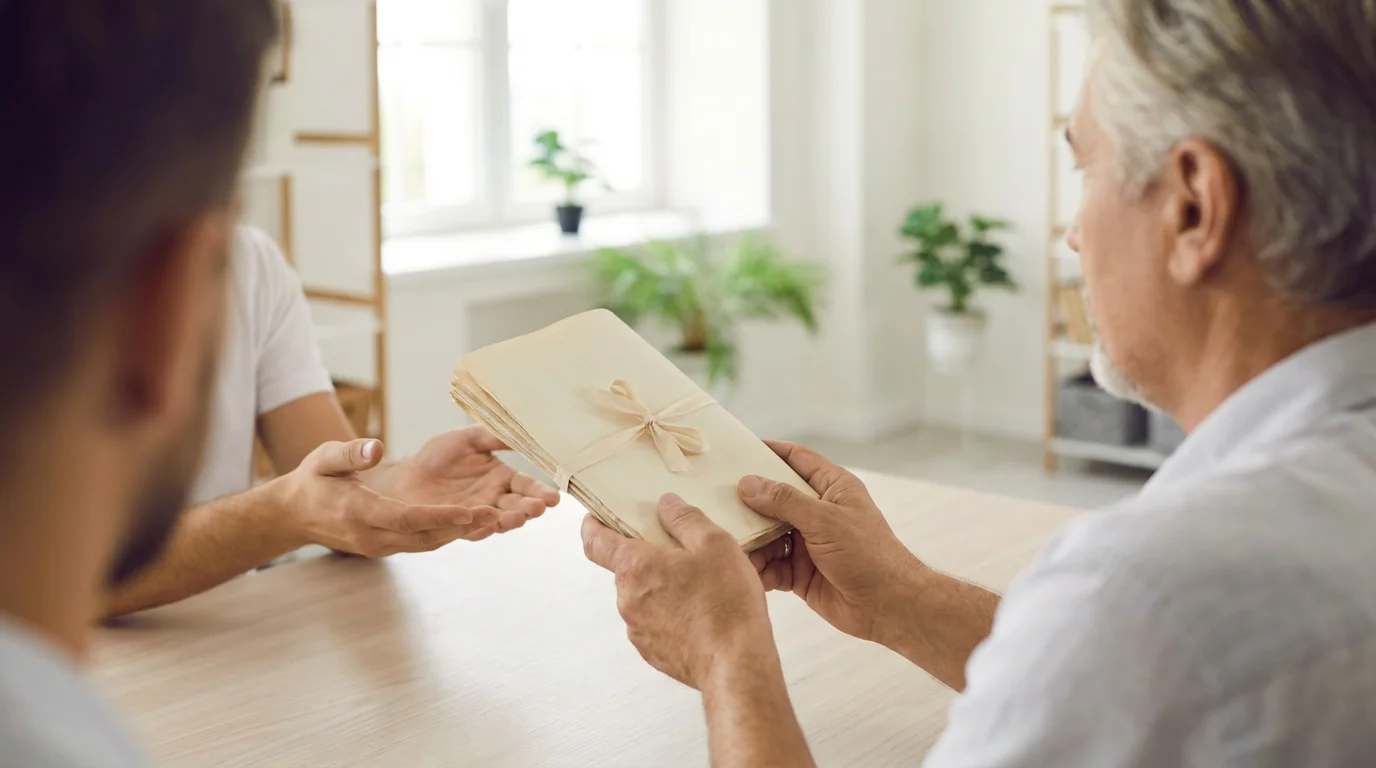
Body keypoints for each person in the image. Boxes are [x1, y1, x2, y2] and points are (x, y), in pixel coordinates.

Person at [583, 0, 1376, 765]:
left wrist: (727, 657)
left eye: (1086, 170)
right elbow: (1116, 683)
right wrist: (897, 595)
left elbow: (1133, 643)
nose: (1074, 233)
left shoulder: (1151, 592)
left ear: (1194, 208)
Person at [104, 224, 559, 616]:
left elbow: (337, 480)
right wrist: (282, 513)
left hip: (229, 630)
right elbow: (83, 573)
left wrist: (400, 485)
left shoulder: (251, 262)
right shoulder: (65, 282)